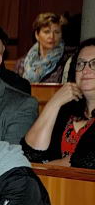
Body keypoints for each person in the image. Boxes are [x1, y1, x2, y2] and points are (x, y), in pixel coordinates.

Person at [22, 38, 95, 169]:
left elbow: (85, 162)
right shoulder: (66, 110)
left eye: (94, 64)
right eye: (80, 64)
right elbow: (30, 154)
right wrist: (53, 104)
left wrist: (38, 169)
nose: (85, 70)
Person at [16, 13, 74, 84]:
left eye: (56, 32)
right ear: (37, 35)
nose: (52, 36)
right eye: (47, 32)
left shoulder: (68, 61)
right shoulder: (22, 62)